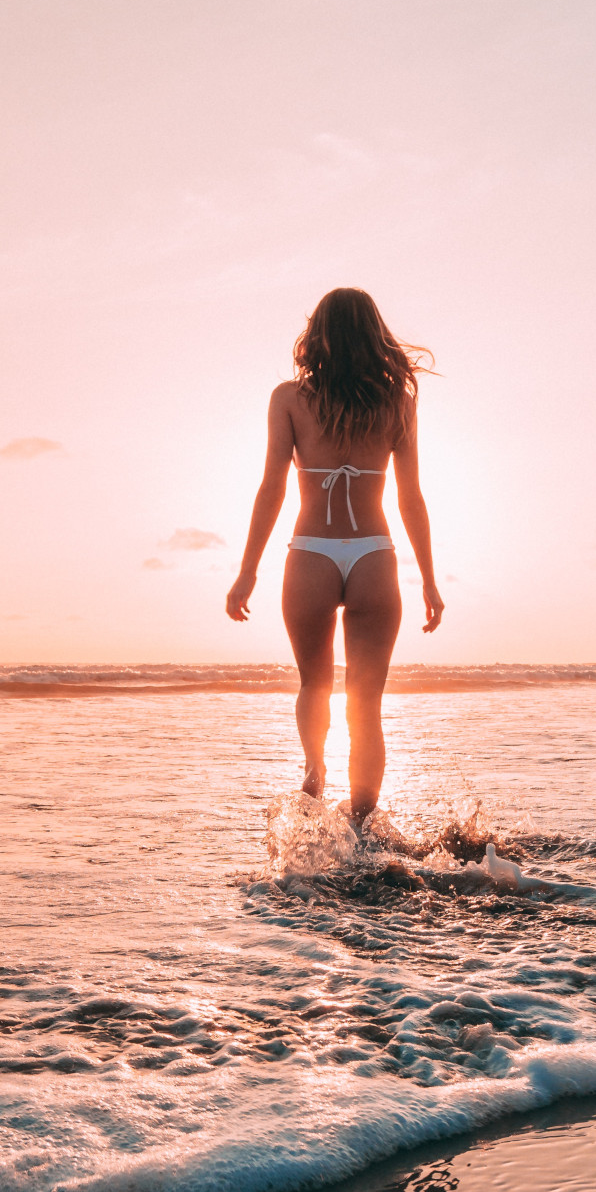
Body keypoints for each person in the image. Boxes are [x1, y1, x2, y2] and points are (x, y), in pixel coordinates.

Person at [225, 288, 444, 828]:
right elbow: (410, 496)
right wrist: (430, 581)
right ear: (375, 336)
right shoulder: (397, 403)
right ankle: (364, 825)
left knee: (313, 683)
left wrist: (246, 572)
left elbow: (272, 489)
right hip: (374, 553)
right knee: (366, 702)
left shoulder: (289, 399)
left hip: (310, 552)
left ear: (317, 334)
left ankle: (316, 766)